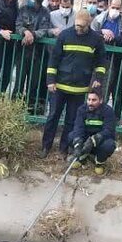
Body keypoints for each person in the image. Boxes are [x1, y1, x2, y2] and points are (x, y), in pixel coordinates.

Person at [40, 10, 106, 158]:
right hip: (60, 86)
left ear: (89, 24)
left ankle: (64, 149)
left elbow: (101, 61)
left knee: (71, 120)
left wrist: (98, 78)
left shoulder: (96, 39)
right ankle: (45, 146)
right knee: (52, 117)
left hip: (79, 88)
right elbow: (54, 59)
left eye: (82, 26)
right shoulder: (65, 35)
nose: (78, 29)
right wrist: (50, 80)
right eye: (77, 25)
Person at [14, 0, 52, 115]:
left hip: (37, 54)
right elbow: (18, 24)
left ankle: (29, 111)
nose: (30, 0)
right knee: (19, 82)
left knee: (33, 84)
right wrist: (25, 32)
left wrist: (32, 35)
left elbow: (44, 30)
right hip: (23, 51)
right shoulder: (23, 9)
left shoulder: (45, 13)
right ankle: (14, 109)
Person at [68, 88, 117, 176]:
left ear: (101, 100)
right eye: (89, 99)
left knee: (109, 145)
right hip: (85, 138)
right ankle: (82, 158)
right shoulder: (81, 109)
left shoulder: (108, 111)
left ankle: (99, 162)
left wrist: (94, 139)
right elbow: (78, 127)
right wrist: (78, 144)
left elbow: (109, 130)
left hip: (100, 140)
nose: (90, 102)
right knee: (71, 136)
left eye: (94, 100)